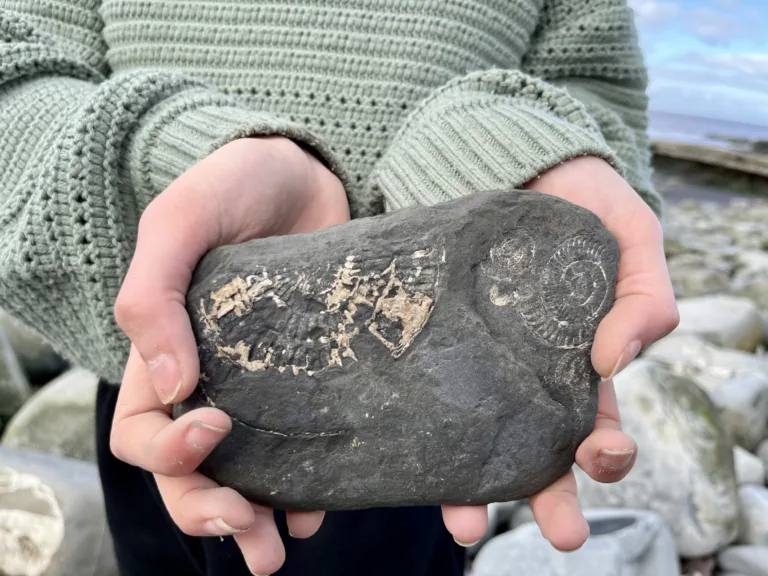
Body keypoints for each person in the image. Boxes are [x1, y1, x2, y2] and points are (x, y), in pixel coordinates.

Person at [0, 0, 678, 574]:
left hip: (432, 422)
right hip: (158, 369)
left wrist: (499, 154)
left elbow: (596, 90)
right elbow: (14, 66)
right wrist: (169, 155)